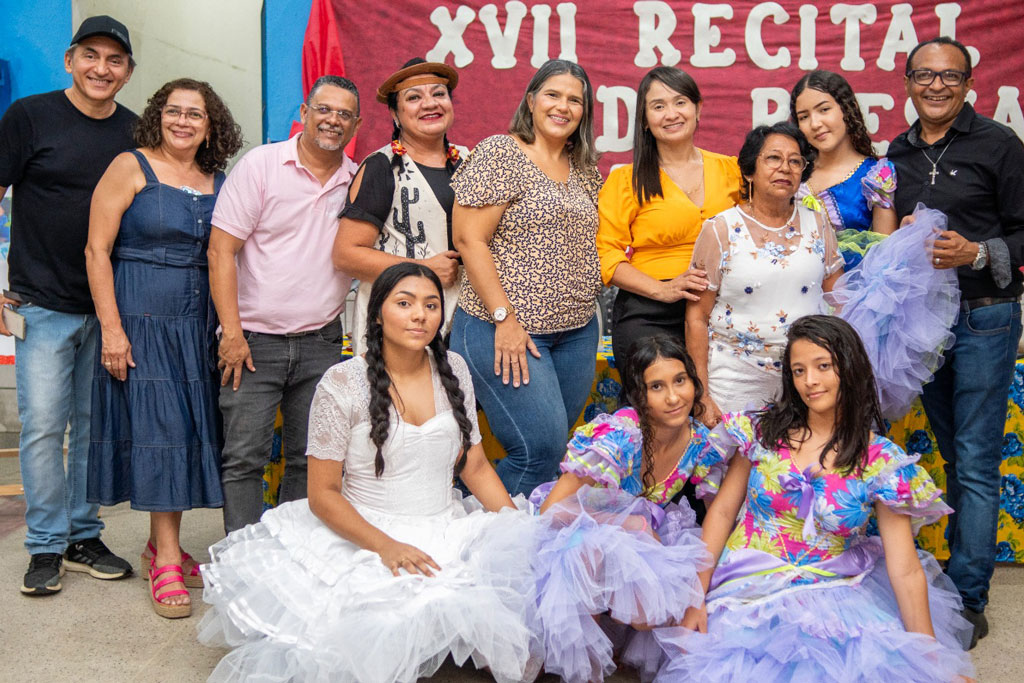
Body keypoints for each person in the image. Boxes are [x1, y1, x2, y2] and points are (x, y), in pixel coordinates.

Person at [198, 263, 540, 683]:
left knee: (518, 619)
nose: (420, 315)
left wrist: (517, 527)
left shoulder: (454, 368)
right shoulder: (342, 383)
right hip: (366, 533)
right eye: (405, 303)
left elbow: (475, 465)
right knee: (373, 639)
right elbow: (323, 494)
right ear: (377, 313)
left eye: (431, 305)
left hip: (444, 524)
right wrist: (387, 547)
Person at [654, 315, 975, 682]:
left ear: (849, 368)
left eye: (823, 366)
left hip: (837, 587)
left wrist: (928, 657)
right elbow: (724, 512)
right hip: (748, 587)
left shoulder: (882, 461)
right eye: (798, 370)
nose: (810, 381)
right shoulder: (762, 432)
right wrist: (696, 595)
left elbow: (904, 568)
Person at [85, 79, 242, 618]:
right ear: (158, 116)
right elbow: (96, 250)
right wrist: (111, 327)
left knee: (191, 431)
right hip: (141, 320)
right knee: (162, 432)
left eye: (195, 114)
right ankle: (167, 559)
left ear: (210, 124)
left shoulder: (220, 181)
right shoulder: (131, 167)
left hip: (197, 327)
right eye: (173, 111)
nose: (182, 121)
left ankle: (159, 544)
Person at [887, 36, 1024, 648]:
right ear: (909, 83)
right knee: (947, 452)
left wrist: (979, 252)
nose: (936, 85)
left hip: (984, 320)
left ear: (970, 82)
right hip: (923, 326)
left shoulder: (999, 144)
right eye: (924, 75)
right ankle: (943, 584)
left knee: (973, 461)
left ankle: (968, 599)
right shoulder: (898, 151)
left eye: (949, 76)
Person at [0, 15, 137, 595]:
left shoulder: (136, 131)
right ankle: (45, 545)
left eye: (114, 60)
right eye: (91, 56)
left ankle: (83, 533)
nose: (101, 69)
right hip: (41, 303)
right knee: (41, 428)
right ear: (69, 60)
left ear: (128, 71)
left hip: (109, 308)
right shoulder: (28, 116)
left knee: (92, 429)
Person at [208, 75, 361, 534]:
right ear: (304, 111)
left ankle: (288, 559)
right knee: (244, 459)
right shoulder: (261, 165)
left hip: (321, 343)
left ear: (355, 125)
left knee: (310, 459)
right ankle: (240, 561)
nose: (332, 120)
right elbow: (221, 251)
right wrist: (231, 334)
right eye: (324, 109)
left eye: (344, 114)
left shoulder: (356, 181)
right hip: (253, 344)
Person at [451, 59, 603, 497]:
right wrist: (506, 319)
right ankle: (486, 543)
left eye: (575, 99)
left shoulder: (585, 167)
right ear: (532, 100)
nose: (563, 106)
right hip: (503, 327)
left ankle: (521, 543)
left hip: (576, 332)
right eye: (553, 95)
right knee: (537, 448)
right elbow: (469, 239)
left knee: (555, 449)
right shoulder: (501, 152)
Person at [528, 335, 715, 682]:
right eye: (657, 386)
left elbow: (717, 515)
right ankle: (583, 672)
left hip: (639, 532)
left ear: (695, 382)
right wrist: (626, 525)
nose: (674, 397)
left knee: (660, 606)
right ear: (639, 395)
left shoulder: (700, 440)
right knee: (589, 550)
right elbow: (551, 513)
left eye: (680, 381)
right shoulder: (620, 434)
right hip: (569, 531)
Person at [686, 123, 843, 424]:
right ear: (749, 171)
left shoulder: (819, 224)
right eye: (773, 158)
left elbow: (840, 303)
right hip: (733, 382)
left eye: (795, 161)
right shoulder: (720, 229)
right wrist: (702, 393)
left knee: (795, 470)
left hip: (806, 383)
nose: (785, 168)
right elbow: (697, 317)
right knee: (731, 469)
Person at [597, 67, 740, 374]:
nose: (671, 113)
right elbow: (606, 255)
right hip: (650, 312)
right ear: (645, 121)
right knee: (661, 409)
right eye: (658, 106)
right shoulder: (626, 179)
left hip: (728, 307)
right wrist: (661, 290)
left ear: (698, 109)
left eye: (680, 102)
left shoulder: (733, 170)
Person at [334, 58, 467, 353]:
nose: (430, 104)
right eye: (414, 97)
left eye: (439, 94)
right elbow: (346, 254)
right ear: (395, 114)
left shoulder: (471, 162)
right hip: (397, 324)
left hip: (463, 323)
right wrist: (422, 268)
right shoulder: (381, 168)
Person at [791, 70, 897, 269]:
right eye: (804, 117)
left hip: (857, 294)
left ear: (848, 109)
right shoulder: (795, 174)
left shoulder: (876, 175)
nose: (815, 124)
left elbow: (886, 258)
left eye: (823, 110)